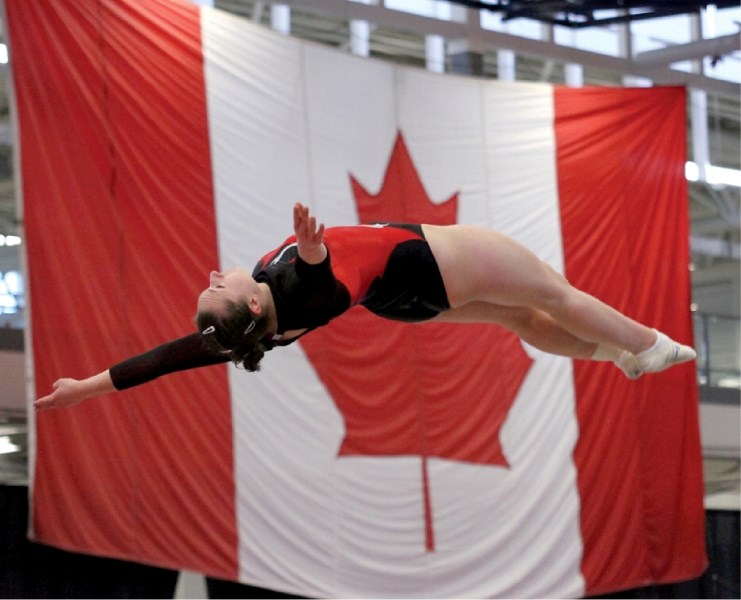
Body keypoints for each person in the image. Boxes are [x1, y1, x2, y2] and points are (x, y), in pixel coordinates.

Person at [35, 202, 696, 411]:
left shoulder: (253, 330)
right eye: (217, 284)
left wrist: (87, 389)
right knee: (551, 292)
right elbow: (320, 281)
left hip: (401, 300)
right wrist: (313, 250)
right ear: (246, 304)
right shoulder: (299, 287)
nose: (215, 272)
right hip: (431, 260)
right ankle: (644, 342)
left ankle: (611, 356)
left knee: (515, 317)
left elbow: (164, 359)